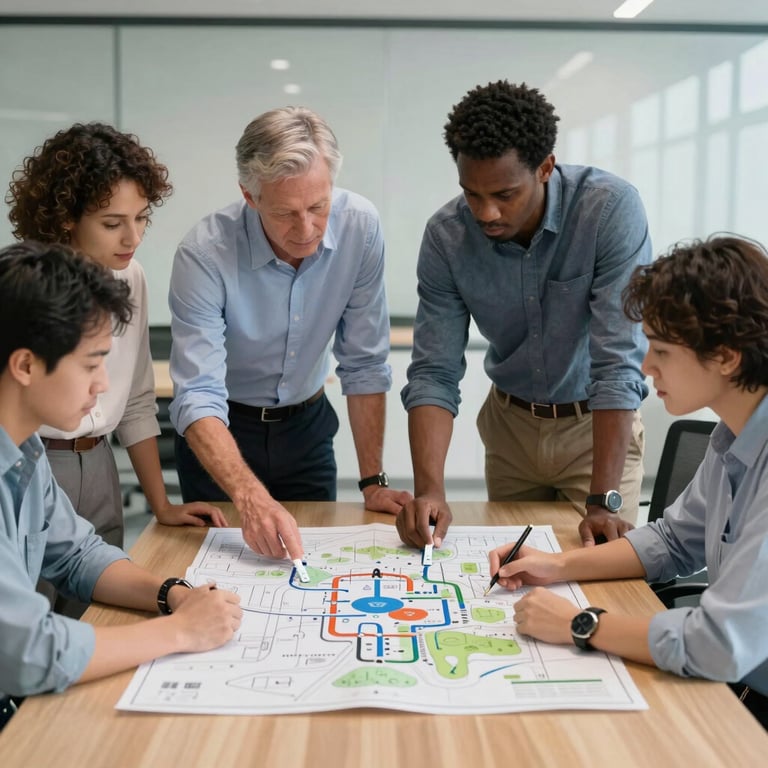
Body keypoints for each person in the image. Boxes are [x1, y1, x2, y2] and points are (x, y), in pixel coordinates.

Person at [490, 235, 768, 729]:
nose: (645, 367)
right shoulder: (734, 434)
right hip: (738, 687)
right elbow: (672, 540)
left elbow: (719, 644)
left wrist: (583, 624)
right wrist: (558, 565)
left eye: (660, 350)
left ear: (726, 357)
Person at [397, 80, 650, 550]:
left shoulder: (608, 210)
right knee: (513, 576)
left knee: (596, 579)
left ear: (545, 168)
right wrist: (430, 491)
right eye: (471, 194)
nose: (486, 212)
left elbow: (618, 362)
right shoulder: (446, 237)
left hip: (594, 430)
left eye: (505, 194)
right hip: (510, 430)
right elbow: (434, 371)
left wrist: (605, 498)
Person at [0, 241, 241, 731]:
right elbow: (30, 651)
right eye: (91, 364)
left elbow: (75, 555)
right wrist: (180, 632)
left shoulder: (26, 450)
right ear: (25, 365)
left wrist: (172, 594)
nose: (104, 384)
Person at [169, 106, 412, 562]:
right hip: (223, 430)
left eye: (318, 206)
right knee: (219, 575)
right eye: (285, 213)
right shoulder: (203, 254)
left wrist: (373, 481)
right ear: (250, 195)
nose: (306, 229)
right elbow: (197, 394)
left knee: (313, 565)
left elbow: (363, 364)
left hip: (306, 427)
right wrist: (247, 495)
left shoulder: (360, 226)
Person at [6, 123, 227, 618]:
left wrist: (161, 504)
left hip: (99, 462)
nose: (133, 237)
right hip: (38, 456)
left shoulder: (130, 276)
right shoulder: (24, 291)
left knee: (98, 602)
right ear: (66, 219)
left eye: (142, 218)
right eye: (112, 223)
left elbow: (134, 399)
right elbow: (24, 644)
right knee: (32, 619)